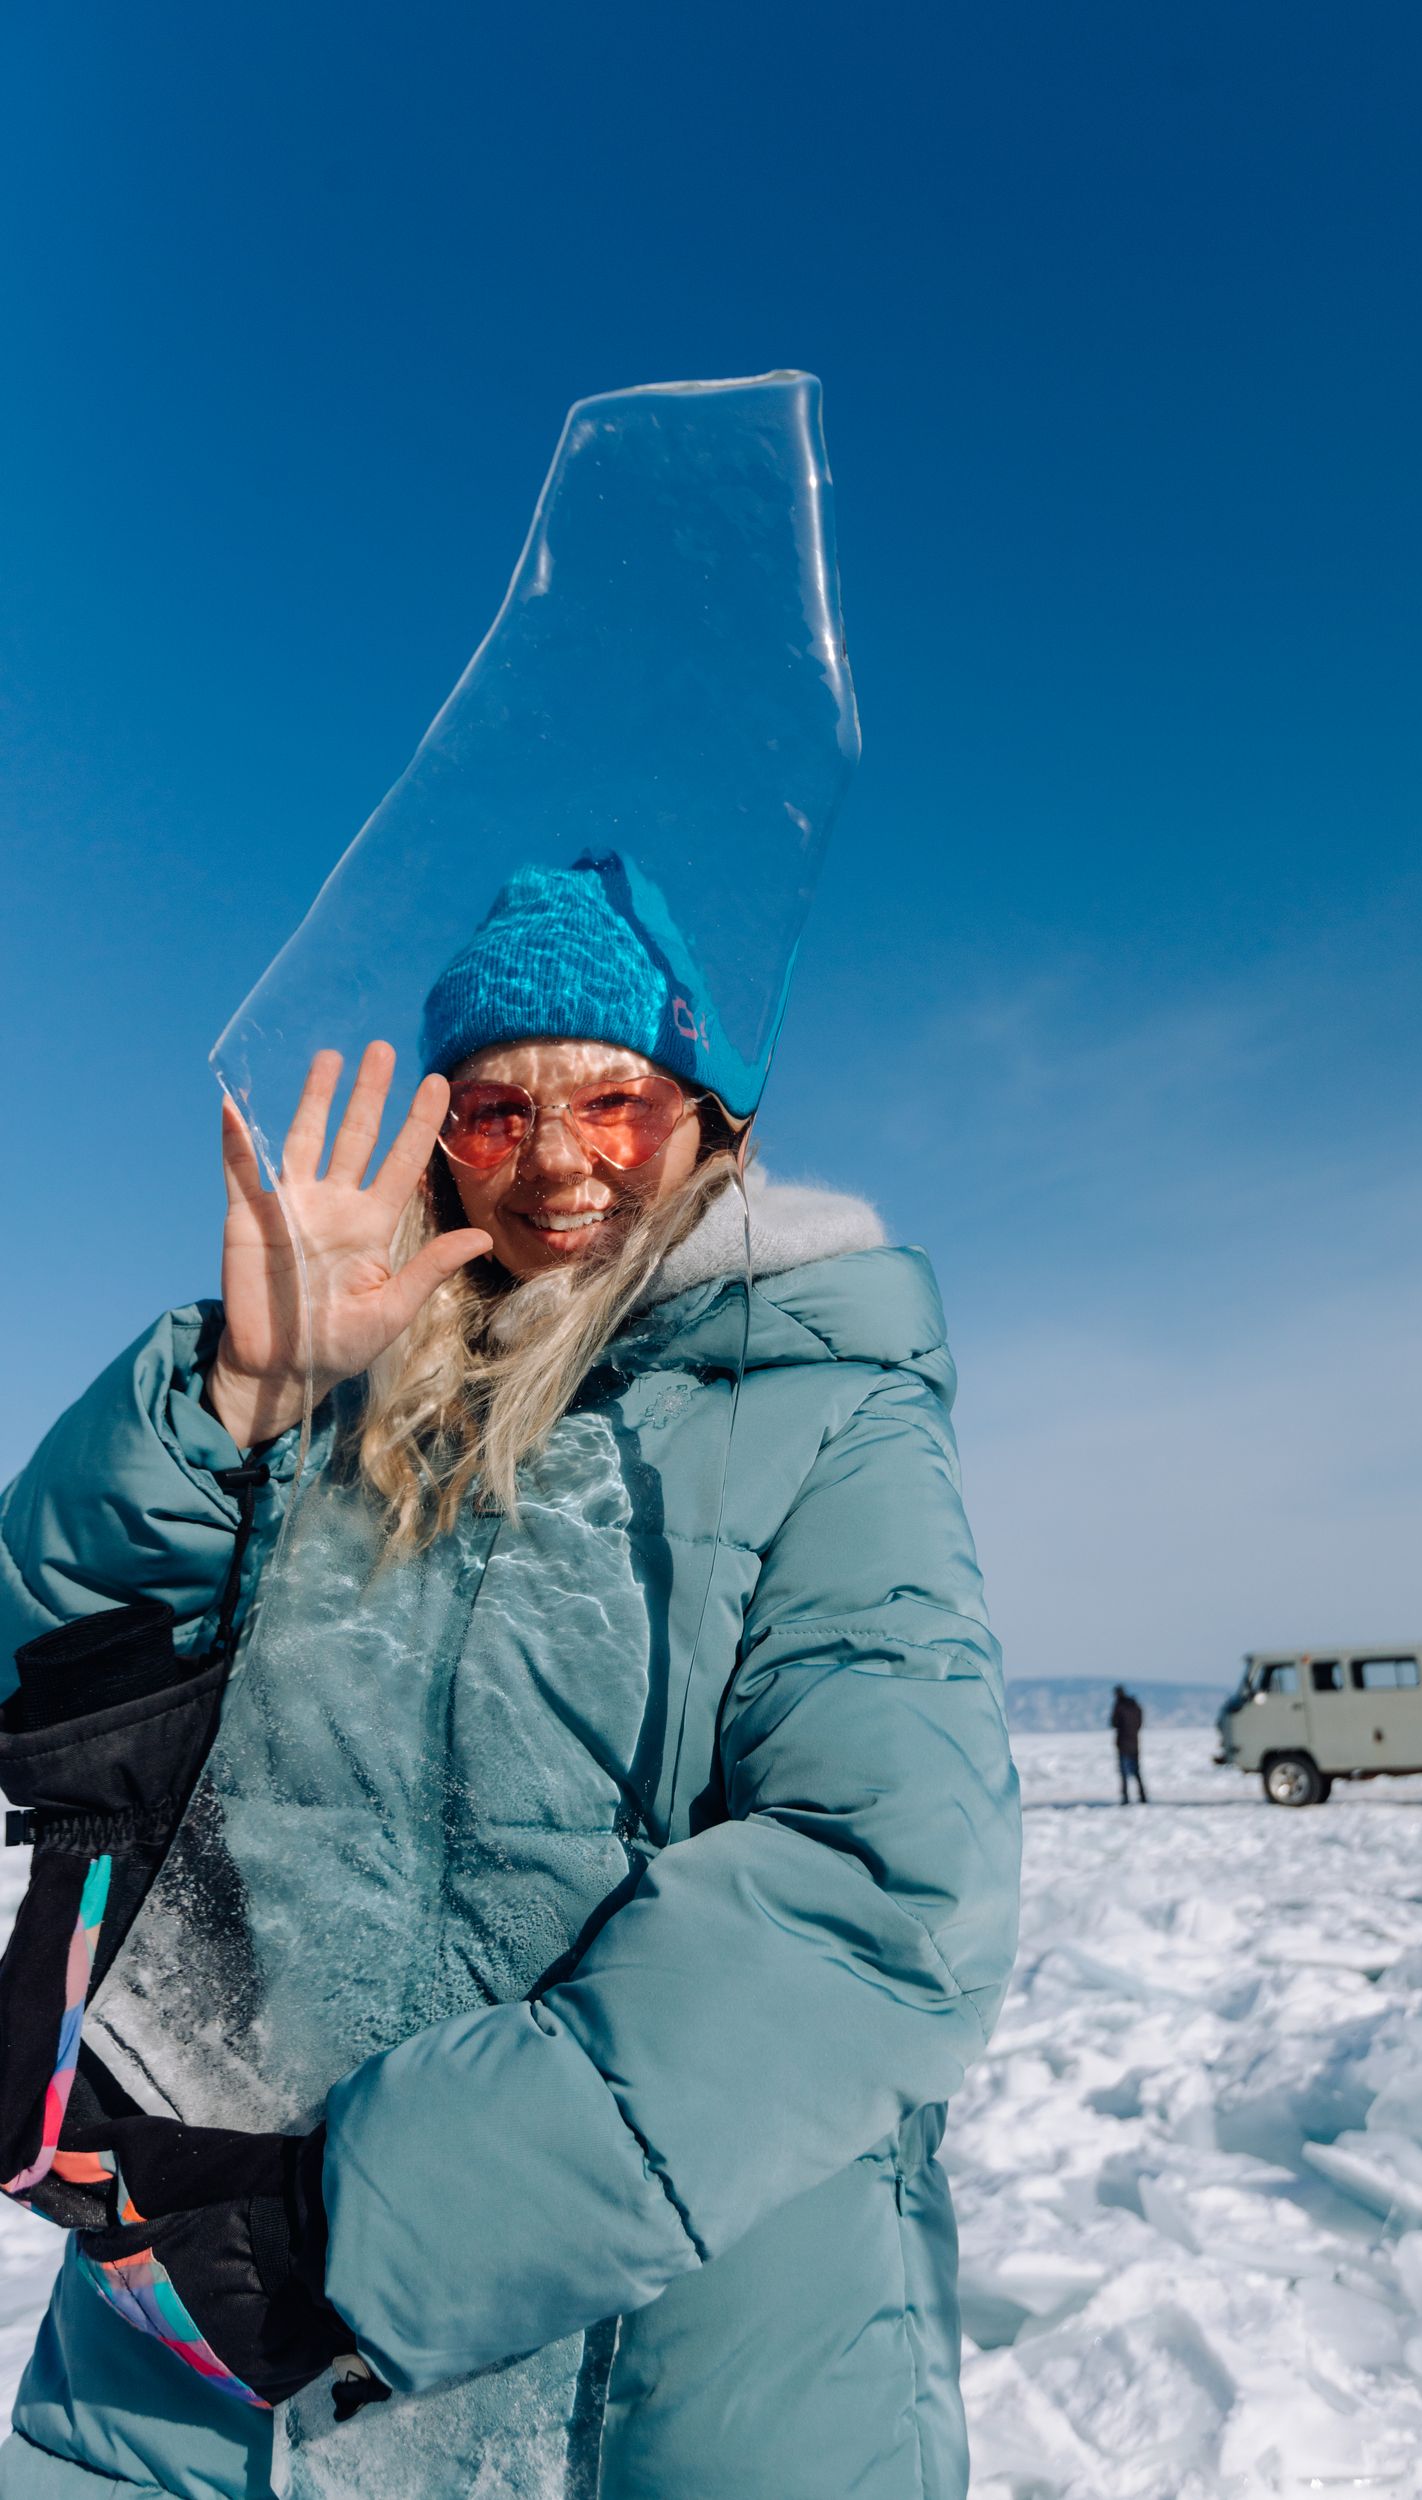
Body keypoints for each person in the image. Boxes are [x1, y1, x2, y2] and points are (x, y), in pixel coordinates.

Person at [0, 860, 1022, 2500]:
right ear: (437, 1139)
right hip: (205, 2339)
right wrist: (241, 1397)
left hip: (661, 2372)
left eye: (611, 1101)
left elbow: (886, 1899)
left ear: (714, 1126)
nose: (555, 1160)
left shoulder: (821, 1409)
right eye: (495, 1110)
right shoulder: (339, 1380)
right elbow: (50, 1665)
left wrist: (359, 2227)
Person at [1110, 1682, 1147, 1804]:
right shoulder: (1134, 1706)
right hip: (1134, 1742)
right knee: (1136, 1772)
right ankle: (1142, 1796)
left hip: (1123, 1744)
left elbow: (1113, 1722)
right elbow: (1139, 1723)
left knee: (1124, 1773)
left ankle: (1126, 1797)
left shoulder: (1120, 1706)